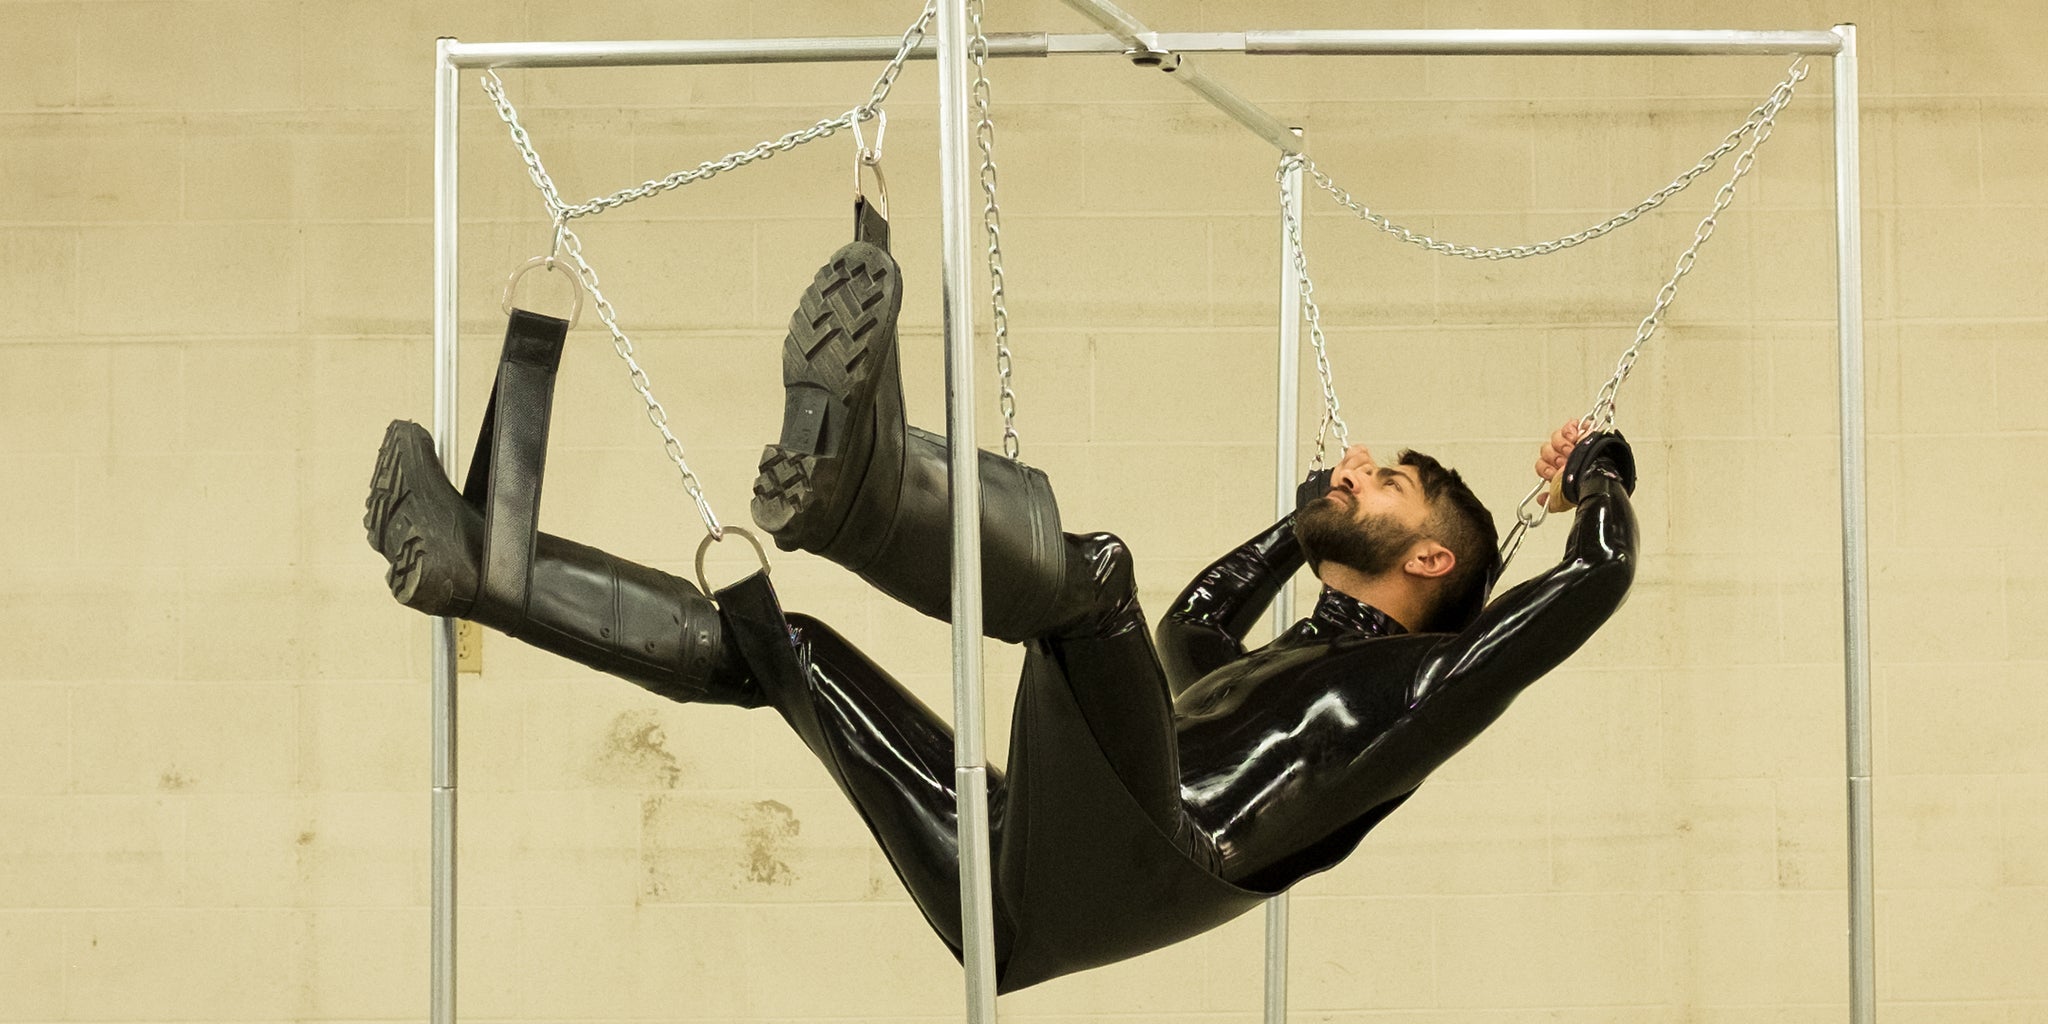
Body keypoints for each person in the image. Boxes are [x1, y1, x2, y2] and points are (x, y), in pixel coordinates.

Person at [365, 240, 1638, 992]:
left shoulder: (1417, 694)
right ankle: (487, 570)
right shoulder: (1279, 665)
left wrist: (1597, 471)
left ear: (1426, 554)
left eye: (1386, 480)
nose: (1356, 464)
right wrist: (1305, 511)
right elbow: (1199, 613)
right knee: (788, 648)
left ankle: (859, 500)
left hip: (1154, 852)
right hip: (1030, 888)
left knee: (1092, 581)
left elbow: (1593, 576)